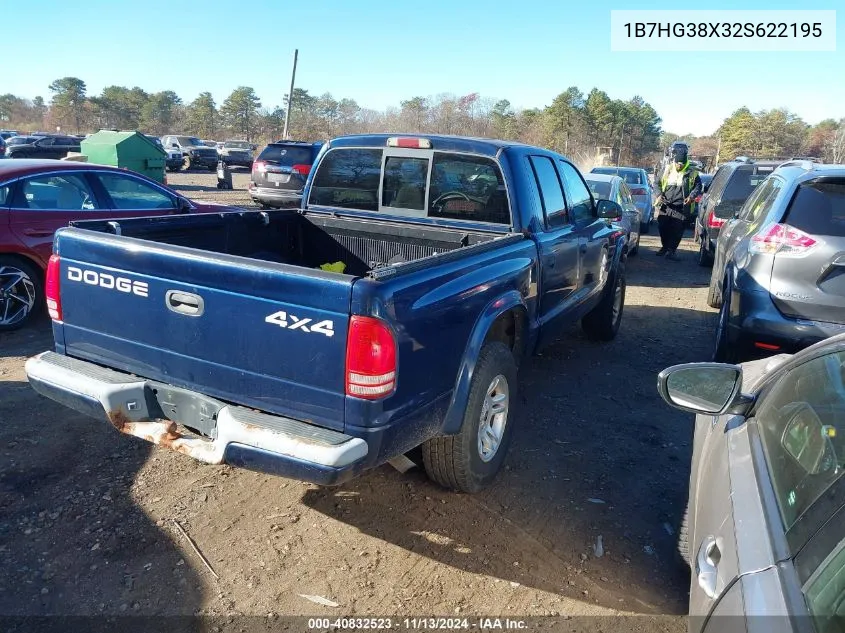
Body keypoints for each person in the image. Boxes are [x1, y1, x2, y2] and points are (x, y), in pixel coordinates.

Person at [654, 146, 702, 260]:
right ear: (674, 162)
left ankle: (671, 250)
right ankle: (665, 247)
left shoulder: (692, 172)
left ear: (685, 163)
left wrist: (691, 197)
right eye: (677, 163)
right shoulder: (667, 170)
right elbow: (656, 183)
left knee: (677, 230)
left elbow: (698, 186)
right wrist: (659, 194)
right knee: (663, 227)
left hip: (681, 206)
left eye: (681, 164)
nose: (679, 165)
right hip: (666, 205)